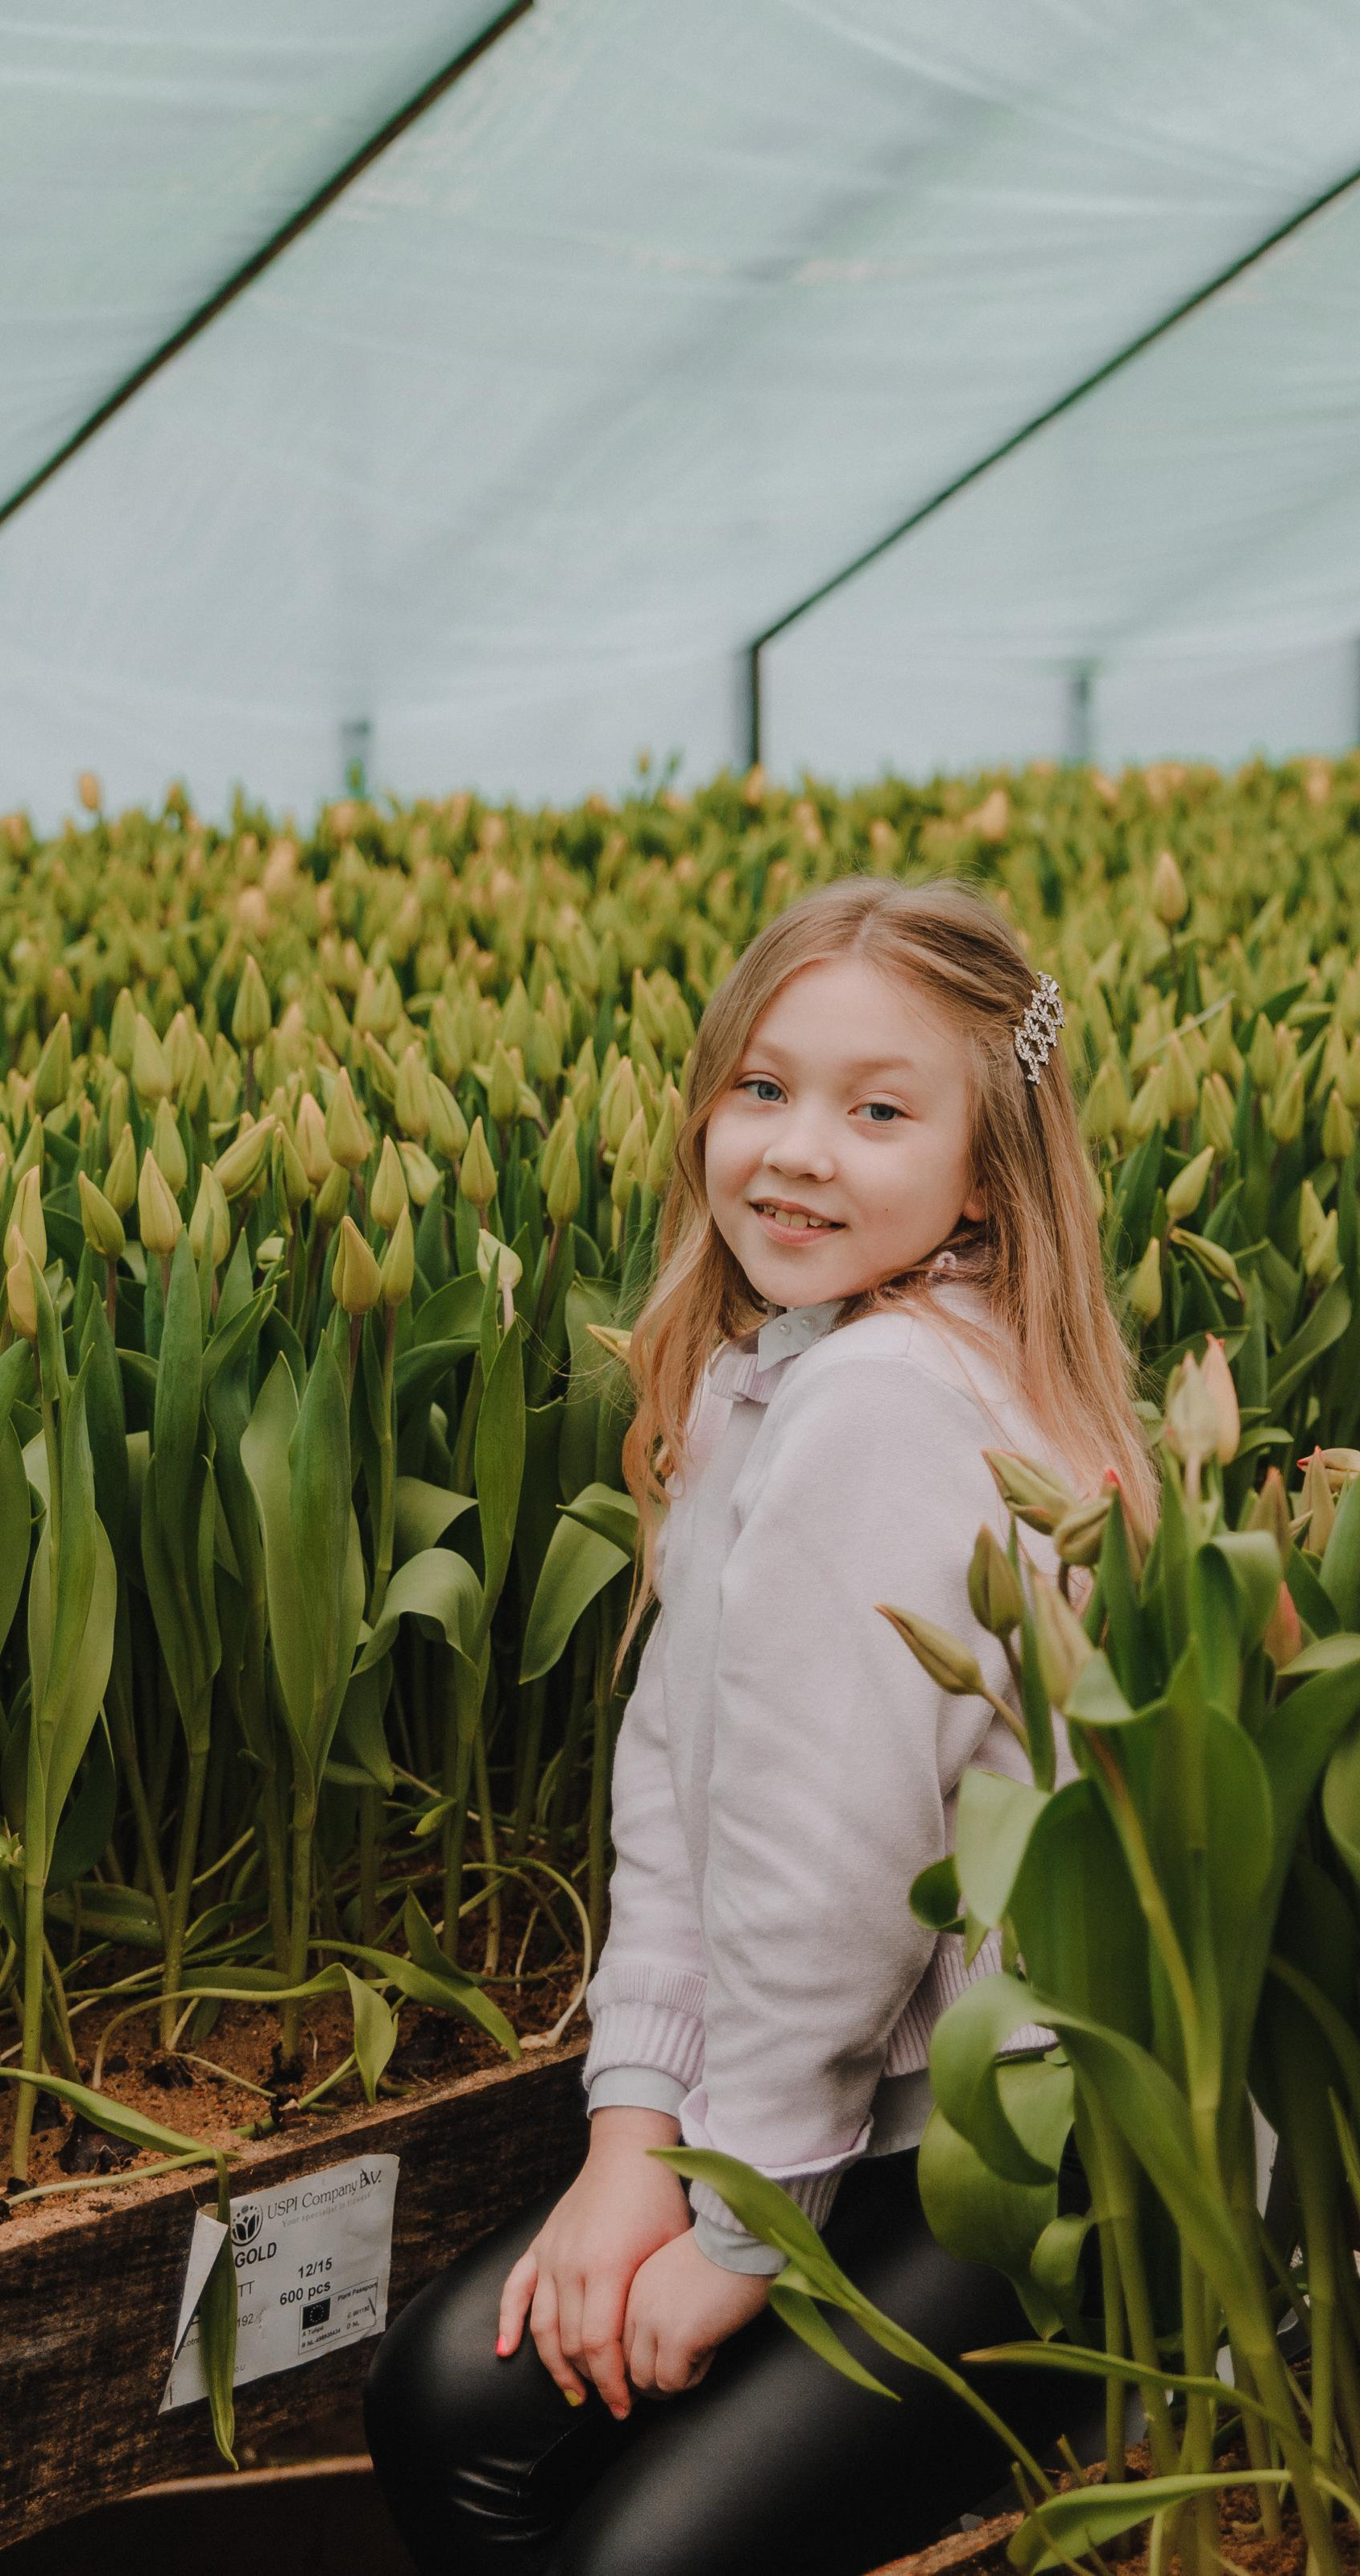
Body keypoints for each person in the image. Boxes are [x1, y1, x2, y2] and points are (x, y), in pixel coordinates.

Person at [365, 874, 1155, 2575]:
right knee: (447, 2395)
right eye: (762, 1087)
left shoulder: (878, 1403)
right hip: (860, 2098)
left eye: (878, 1110)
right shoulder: (773, 1366)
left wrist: (739, 2231)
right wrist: (630, 2137)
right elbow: (679, 1795)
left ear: (986, 1161)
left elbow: (830, 1882)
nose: (799, 1149)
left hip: (1025, 2139)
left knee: (625, 2549)